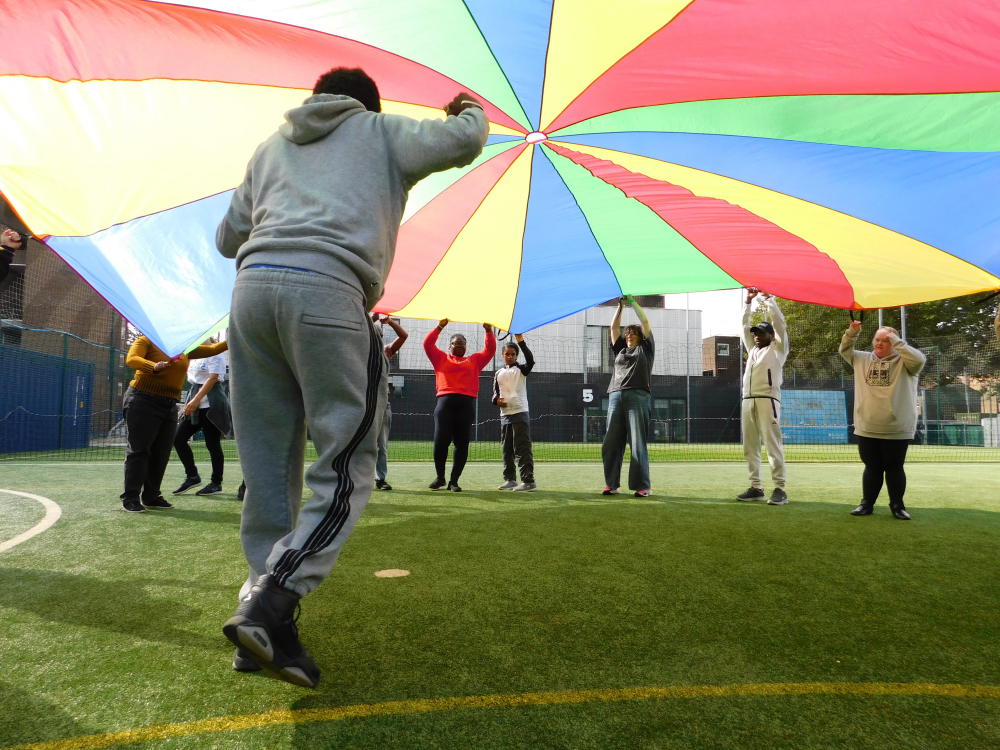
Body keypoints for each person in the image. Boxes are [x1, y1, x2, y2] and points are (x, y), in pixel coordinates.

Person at [216, 66, 488, 686]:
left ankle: (257, 617)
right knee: (347, 460)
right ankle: (272, 603)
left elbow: (226, 238)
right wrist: (466, 106)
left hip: (250, 297)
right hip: (329, 292)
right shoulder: (379, 131)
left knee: (266, 466)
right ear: (364, 105)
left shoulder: (270, 147)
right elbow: (466, 139)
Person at [121, 335, 229, 513]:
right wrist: (154, 366)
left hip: (169, 403)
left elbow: (213, 349)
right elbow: (132, 359)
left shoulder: (182, 346)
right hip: (142, 399)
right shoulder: (146, 340)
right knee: (139, 451)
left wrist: (236, 328)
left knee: (161, 452)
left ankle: (151, 496)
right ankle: (130, 498)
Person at [840, 321, 926, 519]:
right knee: (872, 467)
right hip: (867, 425)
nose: (879, 343)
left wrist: (896, 340)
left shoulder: (907, 362)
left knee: (894, 468)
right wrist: (853, 331)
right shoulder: (860, 359)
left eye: (885, 341)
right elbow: (844, 348)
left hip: (897, 427)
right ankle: (866, 504)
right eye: (877, 340)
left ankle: (897, 506)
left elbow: (919, 359)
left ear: (895, 343)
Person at [424, 319, 496, 491]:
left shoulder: (475, 361)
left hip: (466, 406)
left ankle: (453, 482)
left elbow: (490, 350)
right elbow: (428, 344)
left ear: (466, 347)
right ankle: (440, 478)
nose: (458, 346)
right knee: (441, 442)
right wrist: (439, 327)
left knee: (461, 443)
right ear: (449, 346)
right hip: (444, 405)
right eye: (455, 343)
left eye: (462, 343)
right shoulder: (440, 358)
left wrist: (488, 331)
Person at [737, 289, 789, 505]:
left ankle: (780, 489)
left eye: (761, 333)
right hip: (748, 401)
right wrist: (748, 302)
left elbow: (780, 325)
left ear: (771, 336)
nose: (757, 336)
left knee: (772, 445)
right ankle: (756, 487)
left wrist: (769, 300)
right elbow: (743, 327)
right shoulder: (752, 350)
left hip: (768, 401)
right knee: (750, 446)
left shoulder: (778, 349)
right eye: (755, 333)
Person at [602, 296, 654, 497]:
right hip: (616, 395)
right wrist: (620, 306)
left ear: (640, 336)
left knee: (637, 443)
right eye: (628, 334)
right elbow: (613, 328)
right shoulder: (620, 349)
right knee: (611, 443)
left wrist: (633, 303)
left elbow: (646, 322)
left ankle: (643, 486)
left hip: (638, 396)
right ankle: (612, 484)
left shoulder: (646, 348)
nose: (630, 336)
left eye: (633, 333)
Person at [172, 341, 231, 496]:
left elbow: (213, 378)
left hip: (212, 403)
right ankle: (192, 476)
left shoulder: (216, 352)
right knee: (178, 439)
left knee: (212, 443)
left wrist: (196, 400)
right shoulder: (194, 352)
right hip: (196, 399)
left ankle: (216, 483)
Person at [493, 334, 536, 491]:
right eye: (507, 354)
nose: (510, 356)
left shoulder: (521, 370)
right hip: (505, 416)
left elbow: (531, 360)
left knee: (522, 448)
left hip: (520, 413)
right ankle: (511, 479)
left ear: (516, 356)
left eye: (513, 354)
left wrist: (521, 342)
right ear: (503, 355)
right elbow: (495, 394)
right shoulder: (498, 373)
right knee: (507, 450)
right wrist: (495, 401)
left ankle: (529, 481)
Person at [373, 314, 408, 491]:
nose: (376, 338)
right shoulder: (356, 351)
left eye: (379, 335)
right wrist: (370, 321)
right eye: (374, 334)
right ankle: (357, 479)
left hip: (383, 404)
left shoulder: (386, 352)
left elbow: (403, 336)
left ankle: (380, 479)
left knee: (382, 445)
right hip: (361, 404)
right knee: (359, 444)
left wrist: (389, 322)